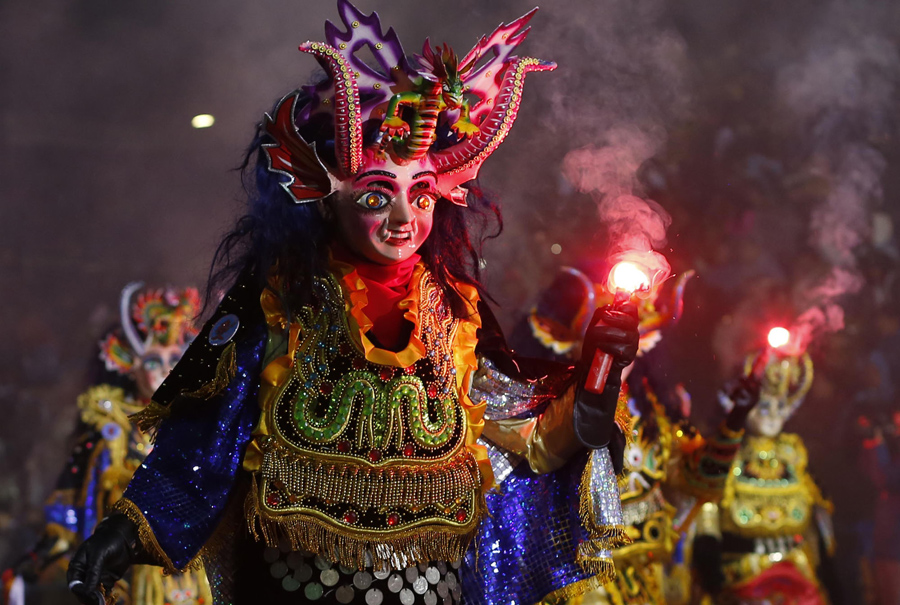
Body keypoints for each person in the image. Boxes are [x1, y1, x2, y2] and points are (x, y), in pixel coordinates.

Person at [66, 3, 641, 604]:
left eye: (422, 196)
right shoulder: (280, 303)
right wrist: (119, 537)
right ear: (323, 198)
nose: (403, 218)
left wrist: (601, 372)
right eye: (375, 197)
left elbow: (534, 441)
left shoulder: (457, 315)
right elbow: (204, 447)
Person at [502, 265, 760, 605]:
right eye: (604, 341)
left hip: (655, 577)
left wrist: (735, 421)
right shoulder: (549, 415)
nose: (619, 355)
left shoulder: (653, 413)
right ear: (574, 345)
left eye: (627, 342)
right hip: (585, 585)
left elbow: (698, 482)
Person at [2, 283, 211, 605]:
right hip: (131, 582)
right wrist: (34, 562)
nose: (167, 369)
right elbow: (69, 510)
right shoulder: (110, 435)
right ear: (129, 365)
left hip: (193, 581)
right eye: (153, 361)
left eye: (175, 358)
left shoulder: (199, 430)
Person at [693, 349, 837, 604]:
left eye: (779, 406)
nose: (771, 414)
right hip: (742, 574)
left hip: (796, 572)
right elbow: (707, 517)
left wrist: (828, 572)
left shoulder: (793, 453)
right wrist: (713, 578)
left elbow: (817, 524)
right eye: (764, 405)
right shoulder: (727, 453)